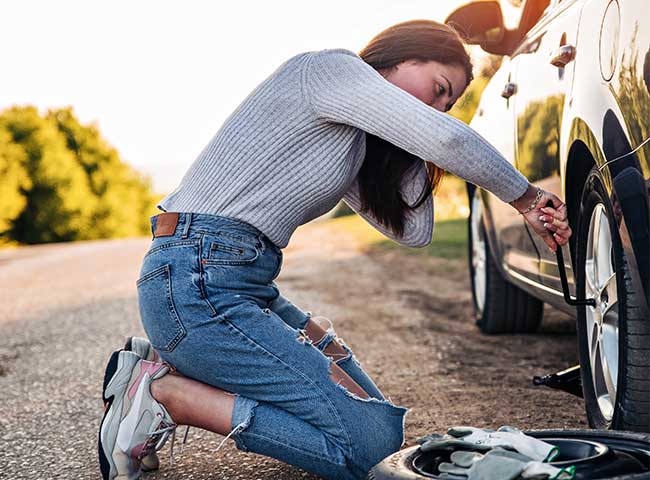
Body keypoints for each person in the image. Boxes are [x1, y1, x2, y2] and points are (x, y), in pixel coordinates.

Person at [97, 19, 572, 480]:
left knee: (381, 423)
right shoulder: (330, 70)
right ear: (403, 55)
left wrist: (411, 133)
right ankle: (165, 395)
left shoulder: (349, 139)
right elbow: (448, 137)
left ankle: (165, 360)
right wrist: (526, 196)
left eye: (445, 105)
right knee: (368, 448)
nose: (438, 108)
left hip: (235, 281)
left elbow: (414, 230)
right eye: (440, 88)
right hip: (198, 279)